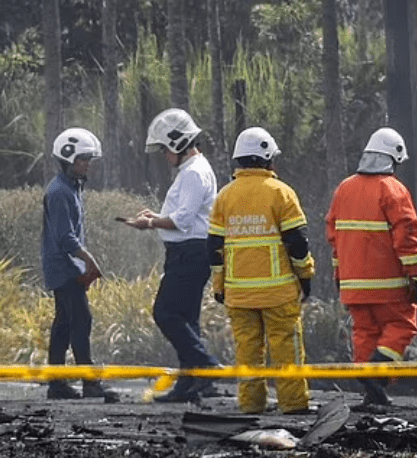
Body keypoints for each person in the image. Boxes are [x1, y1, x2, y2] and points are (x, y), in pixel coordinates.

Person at [207, 127, 315, 414]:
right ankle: (293, 404)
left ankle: (251, 404)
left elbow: (214, 248)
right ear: (267, 159)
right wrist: (305, 276)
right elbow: (298, 243)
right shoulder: (281, 193)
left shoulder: (224, 197)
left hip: (239, 295)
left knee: (247, 351)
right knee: (285, 348)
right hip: (278, 292)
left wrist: (219, 286)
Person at [123, 108, 221, 402]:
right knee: (187, 319)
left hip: (189, 253)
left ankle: (205, 365)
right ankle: (192, 383)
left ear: (178, 144)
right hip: (190, 251)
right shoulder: (193, 170)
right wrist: (157, 216)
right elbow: (180, 215)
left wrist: (149, 222)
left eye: (166, 148)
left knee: (165, 313)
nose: (165, 155)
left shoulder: (193, 173)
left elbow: (183, 220)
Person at [326, 127, 417, 406]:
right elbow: (407, 235)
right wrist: (416, 275)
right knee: (403, 325)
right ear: (392, 158)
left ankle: (371, 391)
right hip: (388, 283)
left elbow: (335, 238)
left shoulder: (344, 189)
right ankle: (377, 373)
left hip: (352, 284)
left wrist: (339, 275)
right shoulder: (393, 189)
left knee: (364, 331)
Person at [41, 128, 119, 402]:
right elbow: (65, 237)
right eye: (83, 159)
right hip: (64, 267)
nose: (88, 163)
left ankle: (57, 384)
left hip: (66, 266)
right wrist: (88, 259)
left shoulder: (72, 187)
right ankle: (90, 384)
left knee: (63, 323)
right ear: (68, 159)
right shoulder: (60, 191)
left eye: (88, 158)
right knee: (81, 320)